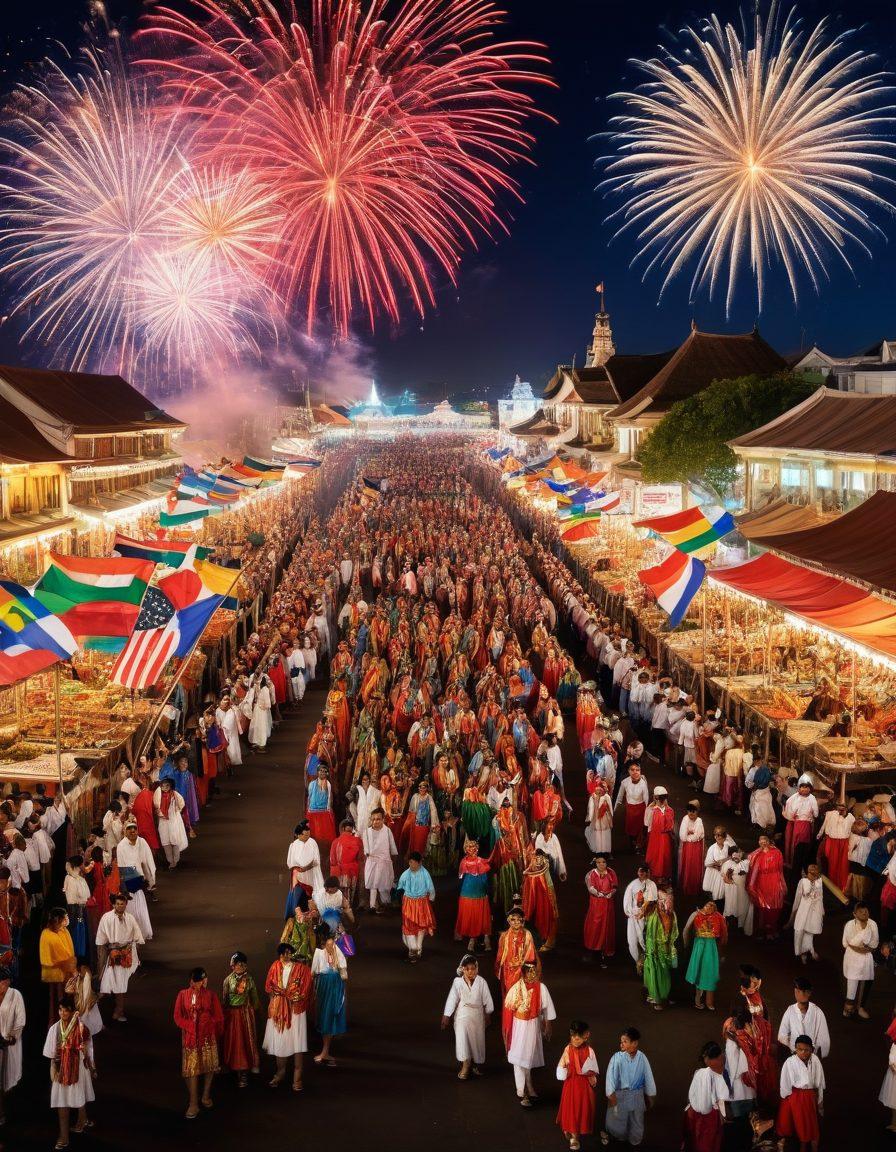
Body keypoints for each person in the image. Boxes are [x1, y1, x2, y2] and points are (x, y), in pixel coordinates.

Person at [43, 995, 96, 1149]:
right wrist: (55, 1069)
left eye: (66, 1010)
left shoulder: (81, 1028)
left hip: (78, 1069)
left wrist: (91, 1066)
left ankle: (82, 1120)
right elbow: (51, 1054)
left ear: (73, 1012)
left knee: (80, 1096)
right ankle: (64, 1136)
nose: (62, 1013)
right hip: (61, 1071)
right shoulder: (55, 1029)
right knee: (62, 1102)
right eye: (60, 1010)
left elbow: (87, 1047)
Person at [173, 967, 224, 1119]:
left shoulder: (211, 995)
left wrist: (210, 1024)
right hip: (191, 1038)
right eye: (200, 980)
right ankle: (193, 1102)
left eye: (204, 979)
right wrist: (190, 1026)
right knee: (192, 1069)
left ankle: (205, 1095)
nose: (203, 983)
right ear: (192, 981)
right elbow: (177, 1016)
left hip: (208, 1036)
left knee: (209, 1066)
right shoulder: (183, 995)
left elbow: (219, 1016)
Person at [504, 961, 556, 1107]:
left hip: (533, 1025)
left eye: (534, 971)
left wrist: (547, 1025)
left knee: (528, 1056)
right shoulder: (516, 989)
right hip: (520, 1026)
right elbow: (509, 1008)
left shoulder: (541, 987)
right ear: (524, 973)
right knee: (519, 1056)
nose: (533, 974)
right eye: (530, 972)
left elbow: (547, 1008)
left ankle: (529, 1085)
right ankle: (523, 1091)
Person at [263, 943, 313, 1091]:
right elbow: (269, 987)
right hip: (279, 1010)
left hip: (295, 1010)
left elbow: (306, 987)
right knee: (280, 1040)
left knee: (297, 1042)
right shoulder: (274, 967)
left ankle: (297, 1077)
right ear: (279, 955)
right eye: (283, 953)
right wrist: (275, 1002)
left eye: (288, 952)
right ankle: (280, 1072)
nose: (286, 955)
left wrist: (295, 997)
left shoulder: (301, 969)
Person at [441, 953, 494, 1080]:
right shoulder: (457, 982)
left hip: (477, 1015)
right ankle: (465, 1065)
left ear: (476, 968)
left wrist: (488, 1014)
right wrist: (446, 1015)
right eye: (467, 969)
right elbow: (452, 999)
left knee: (477, 1040)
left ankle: (475, 1064)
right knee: (462, 1038)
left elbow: (487, 999)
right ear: (463, 969)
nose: (471, 971)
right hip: (462, 1015)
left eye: (473, 968)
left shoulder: (481, 982)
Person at [95, 891, 145, 1024]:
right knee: (115, 982)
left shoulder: (130, 918)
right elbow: (101, 939)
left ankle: (117, 1009)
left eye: (122, 904)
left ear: (126, 904)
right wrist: (102, 955)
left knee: (119, 983)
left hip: (127, 953)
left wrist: (135, 950)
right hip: (113, 953)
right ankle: (117, 1010)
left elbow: (137, 935)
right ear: (114, 904)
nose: (120, 906)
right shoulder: (107, 917)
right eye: (117, 904)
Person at [604, 1027, 657, 1148]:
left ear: (634, 1043)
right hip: (620, 1095)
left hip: (637, 1094)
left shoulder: (642, 1058)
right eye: (621, 1041)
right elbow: (610, 1078)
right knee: (618, 1122)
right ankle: (619, 1137)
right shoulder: (616, 1058)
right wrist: (611, 1096)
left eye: (625, 1041)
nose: (621, 1044)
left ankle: (635, 1141)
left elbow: (648, 1076)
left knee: (637, 1120)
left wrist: (650, 1095)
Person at [556, 1019, 599, 1151]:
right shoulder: (567, 1049)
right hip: (571, 1083)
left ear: (586, 1036)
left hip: (583, 1086)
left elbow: (593, 1069)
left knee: (580, 1109)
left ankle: (575, 1134)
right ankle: (573, 1134)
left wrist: (591, 1076)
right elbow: (561, 1065)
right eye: (573, 1035)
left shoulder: (590, 1051)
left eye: (579, 1036)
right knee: (571, 1108)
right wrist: (563, 1067)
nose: (575, 1039)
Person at [778, 1036, 824, 1152]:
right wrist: (786, 1098)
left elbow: (819, 1082)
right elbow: (785, 1082)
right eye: (799, 1049)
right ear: (795, 1049)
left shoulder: (815, 1060)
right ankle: (802, 1147)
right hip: (796, 1096)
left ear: (811, 1050)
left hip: (811, 1096)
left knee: (812, 1125)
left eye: (806, 1050)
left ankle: (812, 1147)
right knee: (801, 1124)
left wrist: (820, 1101)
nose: (803, 1052)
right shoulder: (790, 1062)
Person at [221, 952, 261, 1088]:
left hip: (244, 1014)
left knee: (244, 1041)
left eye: (242, 964)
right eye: (237, 964)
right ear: (233, 965)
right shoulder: (228, 980)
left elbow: (254, 997)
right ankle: (230, 1063)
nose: (240, 966)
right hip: (232, 1015)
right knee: (232, 1040)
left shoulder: (249, 980)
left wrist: (256, 1010)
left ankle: (244, 1069)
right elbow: (225, 999)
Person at [682, 1041, 729, 1152]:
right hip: (705, 1116)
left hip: (698, 1114)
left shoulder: (702, 1073)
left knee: (701, 1143)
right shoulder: (703, 1073)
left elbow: (690, 1096)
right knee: (705, 1143)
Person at [311, 926, 347, 1066]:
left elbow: (344, 972)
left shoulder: (338, 952)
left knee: (330, 1016)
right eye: (328, 944)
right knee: (323, 1017)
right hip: (323, 988)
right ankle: (325, 1052)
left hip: (335, 988)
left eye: (333, 944)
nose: (331, 946)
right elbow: (313, 973)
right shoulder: (319, 954)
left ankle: (325, 1051)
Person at [115, 821, 155, 942]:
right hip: (128, 881)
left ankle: (142, 932)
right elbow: (121, 867)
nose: (132, 831)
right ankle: (131, 935)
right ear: (125, 832)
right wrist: (124, 887)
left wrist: (150, 879)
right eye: (129, 829)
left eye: (134, 828)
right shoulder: (121, 846)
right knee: (131, 911)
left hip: (139, 880)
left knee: (141, 910)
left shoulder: (141, 842)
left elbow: (148, 860)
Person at [683, 900, 727, 1011]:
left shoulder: (719, 917)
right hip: (699, 945)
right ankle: (698, 999)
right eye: (708, 904)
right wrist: (686, 945)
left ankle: (708, 1001)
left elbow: (724, 935)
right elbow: (686, 930)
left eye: (712, 905)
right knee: (699, 971)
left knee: (709, 972)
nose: (709, 907)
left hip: (710, 946)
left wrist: (721, 951)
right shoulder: (695, 914)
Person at [395, 851, 436, 962]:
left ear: (419, 863)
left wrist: (431, 898)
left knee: (421, 926)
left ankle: (417, 948)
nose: (411, 865)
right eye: (410, 862)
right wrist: (399, 898)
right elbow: (399, 887)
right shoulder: (406, 874)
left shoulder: (425, 874)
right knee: (409, 925)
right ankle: (413, 949)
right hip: (409, 903)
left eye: (413, 863)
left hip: (421, 902)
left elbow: (431, 888)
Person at [777, 979, 830, 1060]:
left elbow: (824, 1039)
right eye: (798, 991)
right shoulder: (790, 1010)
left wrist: (814, 1055)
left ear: (809, 993)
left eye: (805, 992)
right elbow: (782, 1035)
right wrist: (794, 1048)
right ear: (795, 992)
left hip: (811, 1056)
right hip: (794, 1055)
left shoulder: (817, 1012)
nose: (802, 994)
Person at [842, 902, 878, 1019]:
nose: (864, 913)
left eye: (866, 911)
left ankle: (860, 1007)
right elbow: (849, 943)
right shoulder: (849, 925)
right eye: (861, 911)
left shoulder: (873, 924)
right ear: (854, 914)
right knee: (852, 983)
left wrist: (863, 948)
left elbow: (874, 944)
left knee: (866, 982)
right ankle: (848, 1007)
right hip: (852, 958)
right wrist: (861, 947)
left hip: (867, 958)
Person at [746, 835, 786, 941]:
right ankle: (764, 930)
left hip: (775, 880)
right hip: (762, 882)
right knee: (763, 906)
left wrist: (782, 884)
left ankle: (773, 929)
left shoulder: (777, 852)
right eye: (761, 841)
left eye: (765, 841)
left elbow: (780, 870)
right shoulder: (757, 855)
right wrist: (751, 885)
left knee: (775, 905)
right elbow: (753, 870)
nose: (763, 843)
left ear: (769, 841)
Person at [455, 839, 492, 953]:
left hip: (473, 891)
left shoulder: (474, 862)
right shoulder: (468, 862)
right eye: (469, 847)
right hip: (470, 892)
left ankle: (480, 938)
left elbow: (461, 877)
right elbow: (461, 877)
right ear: (466, 849)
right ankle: (478, 938)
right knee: (476, 914)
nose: (472, 849)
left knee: (476, 914)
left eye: (473, 847)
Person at [643, 893, 678, 1011]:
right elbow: (650, 936)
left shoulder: (672, 914)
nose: (665, 904)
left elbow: (674, 931)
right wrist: (652, 951)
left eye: (668, 901)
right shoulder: (654, 916)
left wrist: (670, 945)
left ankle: (663, 995)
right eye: (663, 901)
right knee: (655, 972)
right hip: (655, 949)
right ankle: (656, 998)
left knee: (665, 973)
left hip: (666, 948)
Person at [40, 908, 76, 1022]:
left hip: (62, 972)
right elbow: (62, 957)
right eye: (65, 917)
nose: (67, 919)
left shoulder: (63, 931)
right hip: (57, 973)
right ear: (58, 920)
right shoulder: (49, 935)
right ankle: (58, 1024)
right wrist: (73, 970)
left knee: (58, 999)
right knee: (58, 999)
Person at [495, 908, 539, 997]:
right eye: (513, 919)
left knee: (522, 996)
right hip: (508, 970)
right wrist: (499, 967)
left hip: (522, 969)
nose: (516, 922)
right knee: (509, 996)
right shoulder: (504, 936)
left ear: (522, 921)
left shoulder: (527, 934)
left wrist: (521, 966)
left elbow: (530, 955)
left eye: (519, 919)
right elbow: (500, 956)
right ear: (509, 921)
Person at [0, 966, 24, 1126]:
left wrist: (12, 1036)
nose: (1, 985)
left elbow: (20, 1020)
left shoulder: (15, 995)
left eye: (3, 982)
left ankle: (4, 1112)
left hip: (8, 1043)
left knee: (6, 1080)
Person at [583, 855, 617, 966]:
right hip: (596, 904)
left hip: (607, 904)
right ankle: (593, 949)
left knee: (606, 926)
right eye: (599, 862)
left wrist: (611, 893)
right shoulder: (591, 874)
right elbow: (591, 887)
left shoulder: (611, 872)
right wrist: (599, 894)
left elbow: (615, 886)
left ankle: (604, 950)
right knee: (595, 925)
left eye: (603, 862)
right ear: (595, 863)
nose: (601, 864)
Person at [363, 807, 397, 914]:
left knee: (384, 884)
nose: (375, 821)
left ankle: (386, 904)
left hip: (384, 861)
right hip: (372, 861)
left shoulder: (387, 831)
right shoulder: (367, 832)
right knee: (373, 884)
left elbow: (392, 847)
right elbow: (366, 848)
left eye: (378, 819)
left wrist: (391, 858)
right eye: (373, 819)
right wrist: (368, 853)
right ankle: (372, 906)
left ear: (382, 820)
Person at [623, 865, 657, 971]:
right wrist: (631, 913)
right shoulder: (633, 885)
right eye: (639, 871)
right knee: (633, 940)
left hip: (647, 917)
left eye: (642, 871)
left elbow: (652, 900)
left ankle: (648, 963)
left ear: (647, 872)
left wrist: (643, 911)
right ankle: (638, 961)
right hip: (634, 917)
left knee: (646, 940)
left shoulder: (651, 885)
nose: (640, 873)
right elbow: (627, 900)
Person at [789, 863, 824, 963]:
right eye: (811, 870)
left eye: (815, 870)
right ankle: (800, 952)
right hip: (804, 909)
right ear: (808, 871)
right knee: (800, 929)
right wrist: (794, 910)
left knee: (810, 930)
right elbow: (798, 897)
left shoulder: (820, 881)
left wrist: (822, 910)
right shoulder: (803, 881)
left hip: (815, 910)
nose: (813, 871)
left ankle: (809, 949)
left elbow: (821, 896)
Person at [154, 777, 189, 870]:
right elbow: (156, 806)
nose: (165, 787)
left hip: (173, 819)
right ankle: (171, 861)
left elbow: (182, 803)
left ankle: (176, 860)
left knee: (175, 840)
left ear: (170, 786)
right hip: (163, 821)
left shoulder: (174, 794)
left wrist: (177, 811)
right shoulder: (158, 795)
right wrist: (160, 814)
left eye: (167, 785)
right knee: (166, 841)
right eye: (163, 785)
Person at [615, 762, 649, 853]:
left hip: (641, 809)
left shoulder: (643, 783)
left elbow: (646, 799)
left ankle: (638, 846)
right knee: (630, 829)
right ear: (629, 771)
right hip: (630, 809)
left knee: (640, 830)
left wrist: (647, 813)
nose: (635, 772)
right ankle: (632, 844)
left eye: (637, 770)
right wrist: (614, 811)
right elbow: (619, 797)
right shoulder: (624, 782)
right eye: (632, 770)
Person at [287, 821, 324, 900]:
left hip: (312, 874)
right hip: (298, 877)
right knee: (299, 899)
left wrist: (305, 868)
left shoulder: (312, 843)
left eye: (309, 834)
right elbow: (290, 863)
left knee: (313, 897)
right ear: (299, 835)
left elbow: (316, 861)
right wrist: (298, 869)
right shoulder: (293, 845)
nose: (308, 837)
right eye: (305, 835)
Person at [644, 787, 674, 881]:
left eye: (663, 798)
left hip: (665, 838)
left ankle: (664, 877)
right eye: (659, 798)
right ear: (655, 798)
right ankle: (654, 876)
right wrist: (651, 808)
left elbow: (670, 825)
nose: (661, 801)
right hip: (655, 837)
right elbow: (646, 823)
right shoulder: (651, 810)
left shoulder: (669, 810)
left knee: (664, 856)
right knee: (655, 856)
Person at [678, 802, 705, 897]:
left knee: (694, 865)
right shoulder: (685, 819)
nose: (691, 814)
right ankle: (685, 886)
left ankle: (693, 888)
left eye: (693, 811)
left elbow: (697, 835)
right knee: (687, 865)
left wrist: (690, 834)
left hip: (696, 847)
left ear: (697, 812)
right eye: (689, 811)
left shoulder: (699, 821)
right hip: (687, 847)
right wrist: (690, 834)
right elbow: (682, 836)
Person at [879, 1039, 896, 1134]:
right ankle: (894, 1123)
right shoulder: (894, 1045)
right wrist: (892, 1064)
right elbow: (892, 1055)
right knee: (893, 1102)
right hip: (894, 1077)